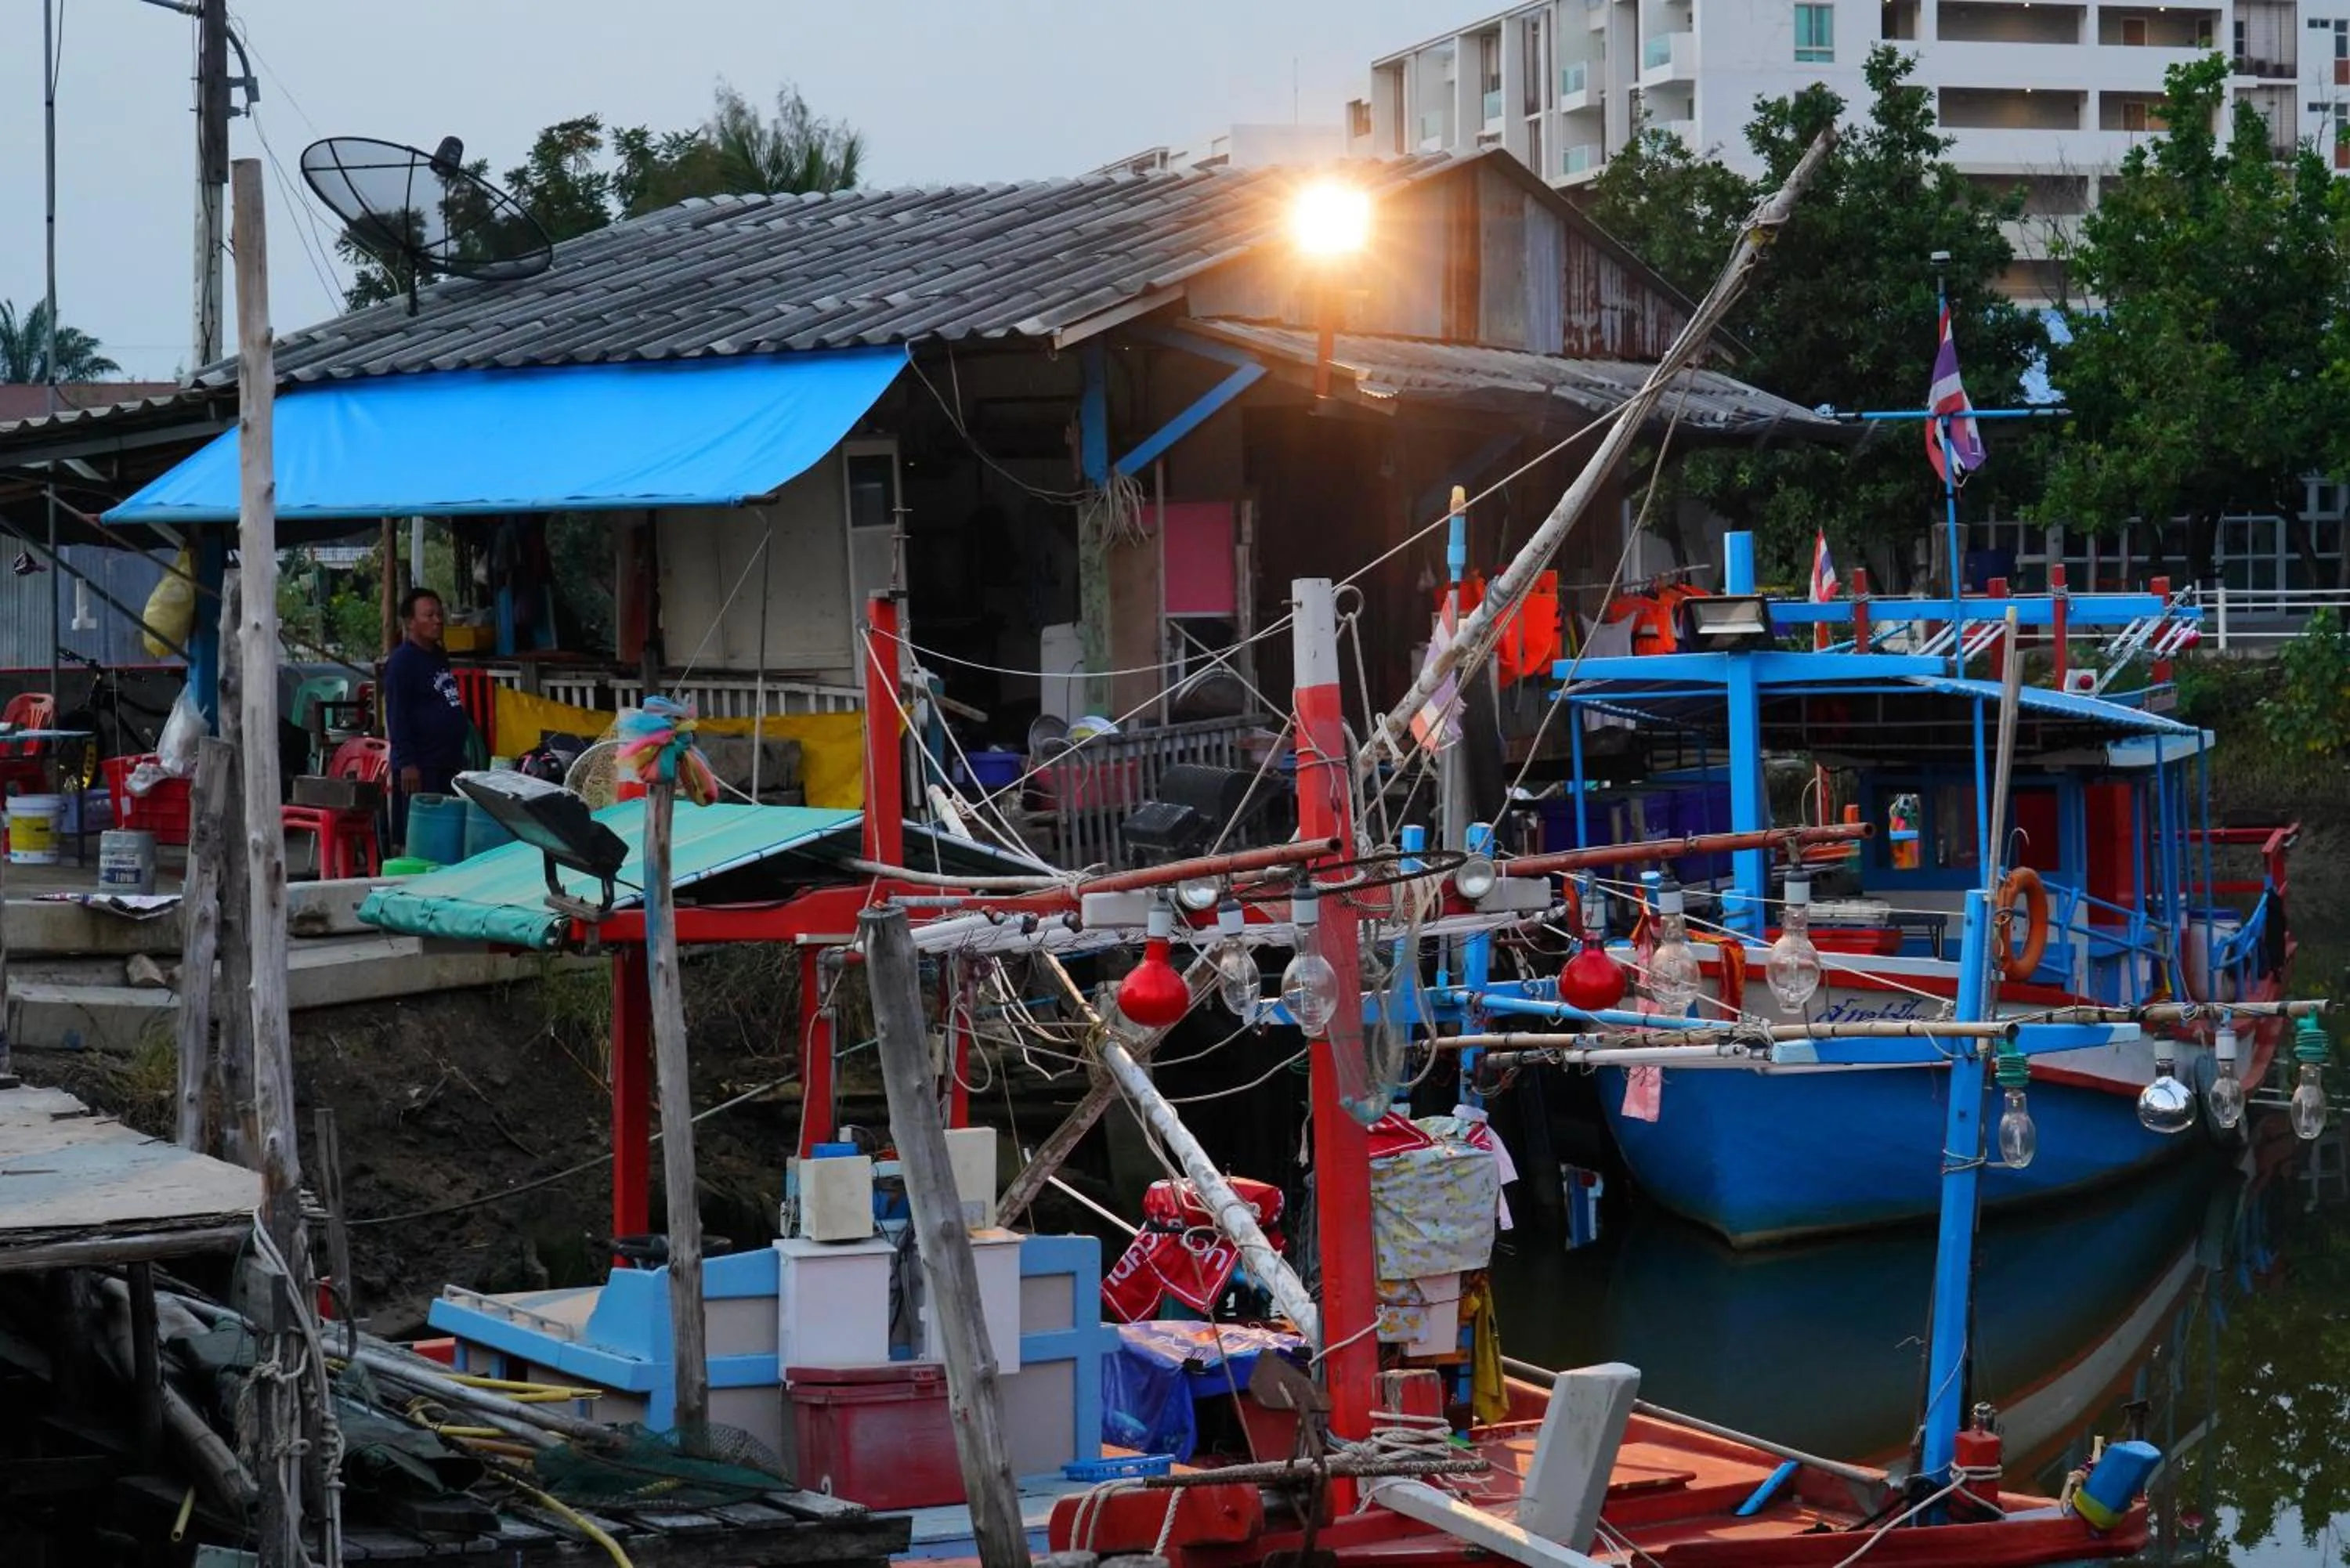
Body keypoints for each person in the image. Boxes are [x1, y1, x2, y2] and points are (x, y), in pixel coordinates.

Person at [383, 587, 473, 844]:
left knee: (448, 834)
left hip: (448, 761)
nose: (438, 620)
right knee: (423, 837)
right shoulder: (402, 662)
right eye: (429, 615)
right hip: (421, 766)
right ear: (411, 622)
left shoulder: (438, 656)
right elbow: (396, 715)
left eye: (439, 614)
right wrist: (407, 763)